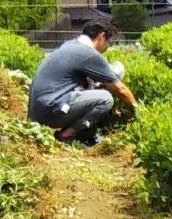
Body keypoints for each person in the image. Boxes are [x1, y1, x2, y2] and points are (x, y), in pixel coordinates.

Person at [28, 16, 138, 144]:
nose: (108, 47)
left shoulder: (69, 45)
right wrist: (138, 112)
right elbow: (120, 89)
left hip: (37, 111)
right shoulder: (88, 54)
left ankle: (85, 135)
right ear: (101, 36)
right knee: (105, 99)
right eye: (109, 42)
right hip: (50, 109)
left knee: (94, 90)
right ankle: (66, 135)